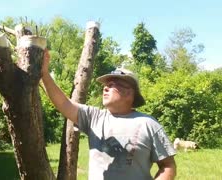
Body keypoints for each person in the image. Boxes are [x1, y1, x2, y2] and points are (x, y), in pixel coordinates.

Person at [41, 49, 176, 180]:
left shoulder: (149, 124)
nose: (105, 88)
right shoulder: (94, 117)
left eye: (112, 85)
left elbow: (168, 166)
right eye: (106, 85)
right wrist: (44, 73)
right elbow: (64, 104)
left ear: (129, 93)